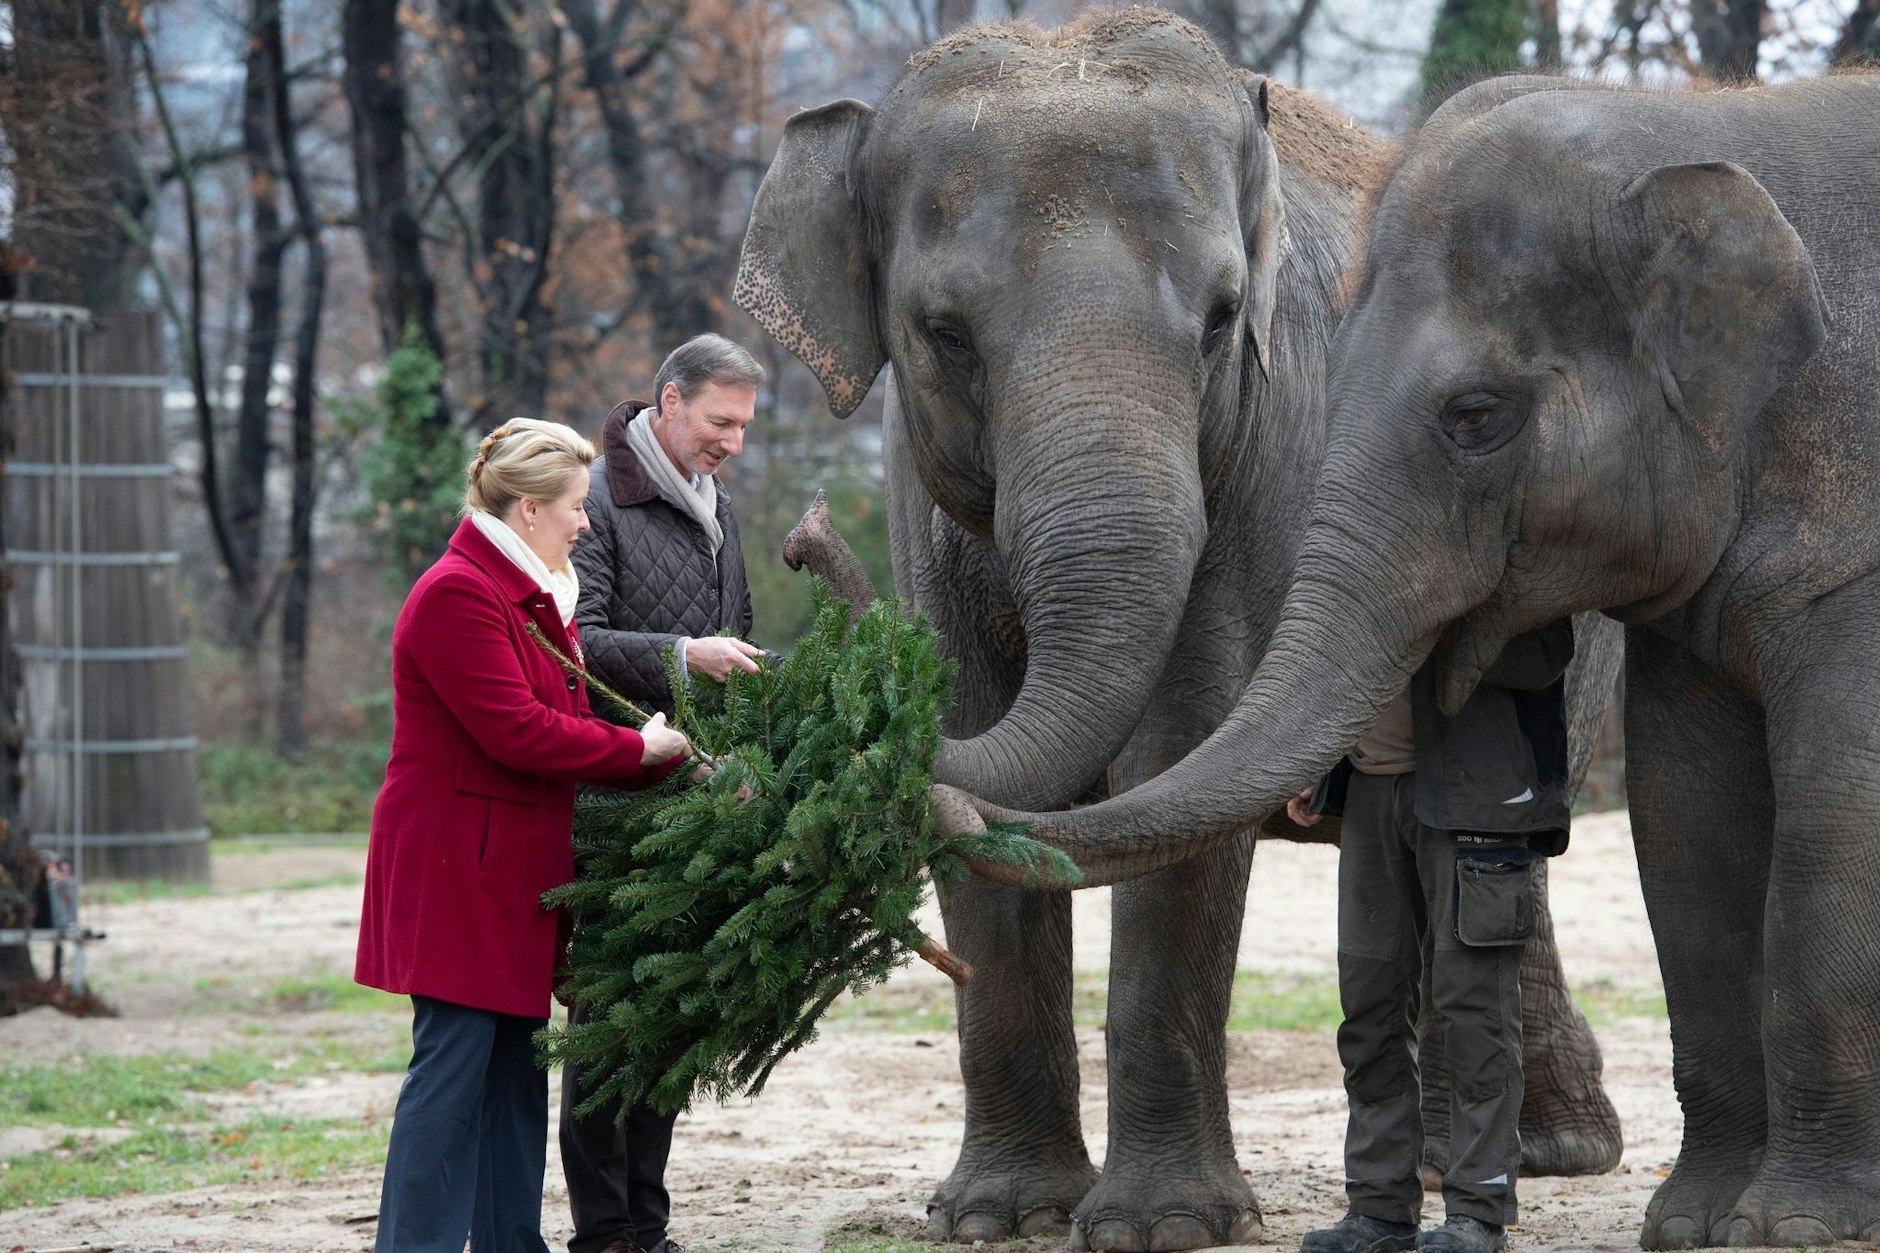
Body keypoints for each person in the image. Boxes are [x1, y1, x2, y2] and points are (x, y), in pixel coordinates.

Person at [356, 419, 692, 1253]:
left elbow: (565, 718)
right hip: (457, 871)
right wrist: (639, 749)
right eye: (577, 507)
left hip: (508, 873)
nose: (586, 522)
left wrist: (656, 760)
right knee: (451, 1075)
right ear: (531, 508)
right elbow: (521, 731)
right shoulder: (457, 594)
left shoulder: (534, 593)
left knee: (513, 1076)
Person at [560, 334, 767, 1253]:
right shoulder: (593, 502)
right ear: (670, 402)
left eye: (744, 426)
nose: (733, 441)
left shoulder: (715, 500)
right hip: (614, 797)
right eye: (721, 422)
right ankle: (604, 1232)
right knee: (610, 1020)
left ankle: (650, 1223)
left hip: (697, 794)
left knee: (672, 1013)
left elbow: (740, 634)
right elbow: (575, 641)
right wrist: (684, 658)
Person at [1290, 622, 1576, 1253]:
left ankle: (1478, 1210)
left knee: (1474, 1012)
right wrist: (1321, 759)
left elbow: (1547, 654)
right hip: (1371, 792)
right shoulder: (1366, 552)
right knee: (1368, 1009)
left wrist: (1443, 620)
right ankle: (1379, 1207)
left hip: (1475, 800)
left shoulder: (1500, 559)